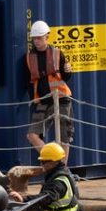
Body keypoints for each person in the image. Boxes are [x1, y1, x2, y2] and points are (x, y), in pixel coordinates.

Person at [25, 20, 74, 162]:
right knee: (32, 135)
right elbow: (29, 81)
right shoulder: (29, 58)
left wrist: (69, 71)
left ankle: (62, 169)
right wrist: (33, 97)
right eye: (34, 38)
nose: (37, 41)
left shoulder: (58, 54)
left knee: (64, 138)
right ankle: (55, 161)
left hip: (62, 100)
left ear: (47, 37)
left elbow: (65, 77)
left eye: (39, 38)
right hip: (42, 101)